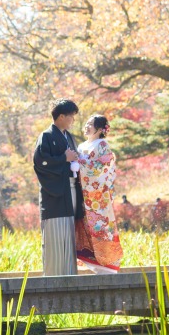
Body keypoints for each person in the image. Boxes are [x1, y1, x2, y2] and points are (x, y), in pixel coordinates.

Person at [33, 99, 85, 276]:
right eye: (71, 116)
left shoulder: (68, 137)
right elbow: (40, 163)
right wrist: (64, 158)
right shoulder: (46, 136)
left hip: (69, 191)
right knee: (55, 236)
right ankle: (53, 278)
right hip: (54, 194)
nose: (73, 120)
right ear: (61, 116)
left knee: (69, 234)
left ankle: (70, 275)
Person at [75, 114, 123, 274]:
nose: (87, 126)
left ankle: (106, 263)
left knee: (99, 226)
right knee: (85, 225)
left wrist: (79, 162)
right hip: (84, 193)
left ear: (101, 129)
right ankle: (91, 259)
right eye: (87, 123)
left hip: (97, 196)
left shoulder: (102, 144)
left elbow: (102, 167)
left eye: (91, 124)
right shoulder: (81, 146)